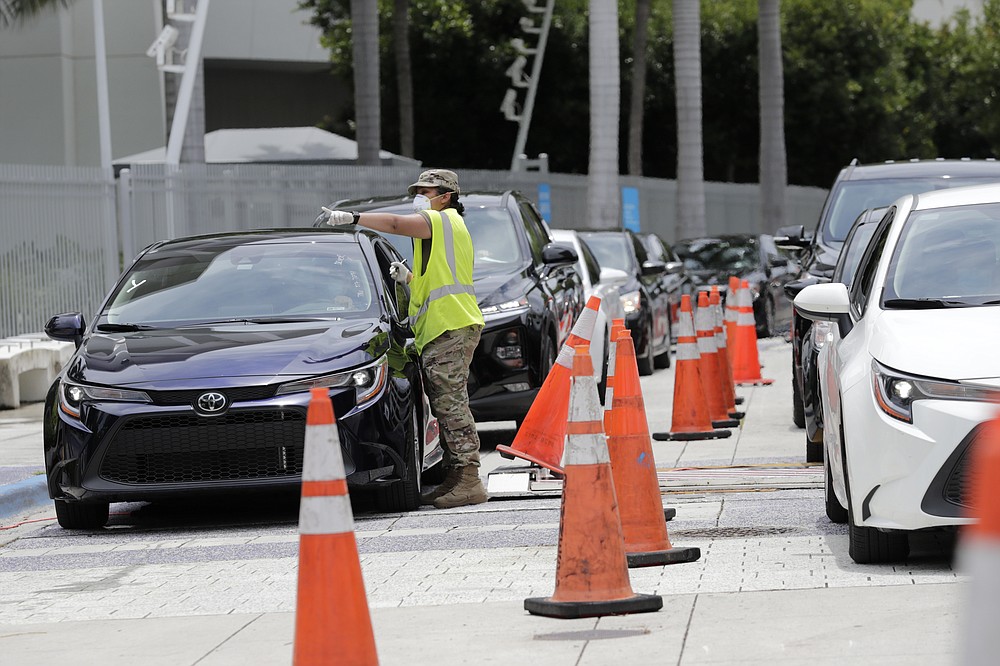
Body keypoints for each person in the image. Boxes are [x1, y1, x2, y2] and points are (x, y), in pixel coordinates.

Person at [317, 169, 488, 509]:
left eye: (427, 190)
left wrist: (353, 217)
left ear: (446, 196)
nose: (420, 196)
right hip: (445, 326)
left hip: (450, 326)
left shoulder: (442, 222)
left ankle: (469, 479)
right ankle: (458, 477)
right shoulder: (441, 231)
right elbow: (435, 283)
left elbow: (395, 224)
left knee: (452, 406)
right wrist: (408, 277)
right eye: (418, 190)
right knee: (445, 405)